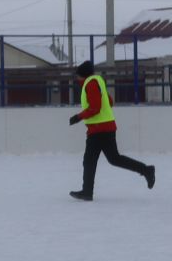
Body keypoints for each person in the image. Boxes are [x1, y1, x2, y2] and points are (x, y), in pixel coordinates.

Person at [66, 60, 155, 201]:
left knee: (90, 160)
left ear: (83, 76)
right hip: (105, 128)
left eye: (78, 76)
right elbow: (110, 102)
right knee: (113, 159)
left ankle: (87, 192)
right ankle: (146, 170)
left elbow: (95, 108)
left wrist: (78, 117)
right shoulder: (97, 81)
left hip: (98, 130)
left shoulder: (91, 84)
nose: (77, 79)